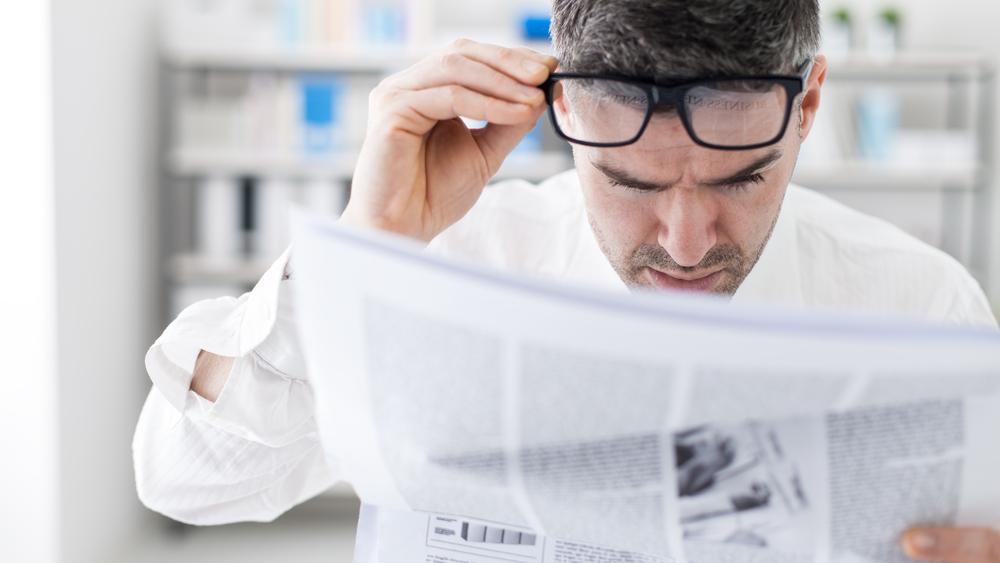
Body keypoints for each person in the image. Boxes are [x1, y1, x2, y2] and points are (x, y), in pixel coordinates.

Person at [133, 0, 999, 560]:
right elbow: (181, 479)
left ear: (808, 107)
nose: (688, 244)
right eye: (632, 184)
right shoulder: (451, 258)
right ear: (564, 114)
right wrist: (369, 244)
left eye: (740, 180)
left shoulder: (921, 304)